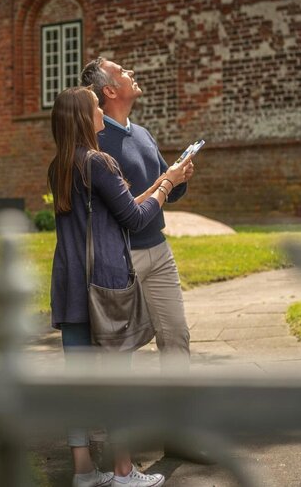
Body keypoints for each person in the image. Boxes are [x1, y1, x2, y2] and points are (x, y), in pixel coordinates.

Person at [49, 86, 191, 487]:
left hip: (70, 285)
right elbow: (134, 219)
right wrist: (167, 187)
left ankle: (83, 472)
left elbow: (119, 207)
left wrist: (162, 179)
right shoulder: (99, 161)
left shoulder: (60, 164)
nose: (101, 114)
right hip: (105, 285)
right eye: (96, 108)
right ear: (83, 118)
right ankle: (125, 471)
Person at [80, 58, 195, 376]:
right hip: (121, 257)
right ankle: (116, 419)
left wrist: (178, 178)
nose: (131, 72)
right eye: (122, 72)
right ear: (110, 90)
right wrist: (167, 181)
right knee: (119, 348)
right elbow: (124, 209)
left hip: (159, 251)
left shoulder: (142, 134)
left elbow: (166, 191)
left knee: (176, 335)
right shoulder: (97, 143)